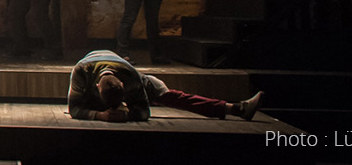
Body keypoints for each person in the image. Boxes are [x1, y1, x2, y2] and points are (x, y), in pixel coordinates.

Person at [68, 49, 263, 122]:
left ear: (124, 86)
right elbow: (74, 108)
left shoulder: (133, 78)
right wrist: (100, 115)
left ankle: (237, 109)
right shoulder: (81, 71)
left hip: (133, 79)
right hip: (95, 86)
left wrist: (127, 115)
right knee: (87, 105)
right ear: (97, 86)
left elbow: (143, 112)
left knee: (173, 98)